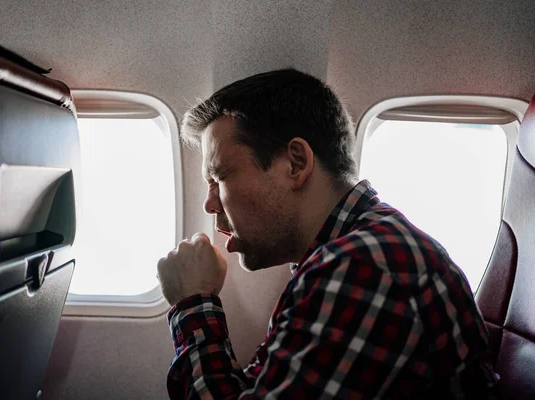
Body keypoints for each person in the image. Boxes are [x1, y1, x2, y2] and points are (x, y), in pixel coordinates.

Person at [156, 68, 497, 399]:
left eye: (219, 177)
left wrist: (193, 301)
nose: (209, 205)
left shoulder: (361, 270)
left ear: (296, 163)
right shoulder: (347, 257)